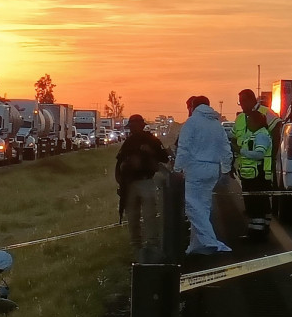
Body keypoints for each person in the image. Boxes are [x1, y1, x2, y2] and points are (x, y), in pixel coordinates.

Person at [174, 96, 233, 255]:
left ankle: (210, 242)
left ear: (193, 106)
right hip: (213, 168)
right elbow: (226, 148)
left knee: (192, 206)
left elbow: (183, 148)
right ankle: (196, 246)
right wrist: (226, 169)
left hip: (195, 168)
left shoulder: (192, 123)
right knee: (203, 207)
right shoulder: (216, 124)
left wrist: (177, 168)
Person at [115, 114, 170, 262]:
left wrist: (150, 152)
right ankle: (138, 252)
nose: (132, 128)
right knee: (133, 219)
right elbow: (119, 163)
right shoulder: (128, 142)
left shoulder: (151, 140)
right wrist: (121, 182)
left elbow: (164, 157)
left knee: (149, 217)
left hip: (146, 182)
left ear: (140, 125)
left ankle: (151, 250)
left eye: (133, 125)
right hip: (130, 184)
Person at [238, 110, 273, 238]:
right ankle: (257, 231)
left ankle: (256, 234)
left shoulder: (261, 135)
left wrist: (242, 151)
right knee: (257, 203)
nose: (247, 123)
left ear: (257, 122)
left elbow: (259, 154)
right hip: (253, 175)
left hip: (257, 175)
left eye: (249, 121)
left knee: (256, 204)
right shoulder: (255, 134)